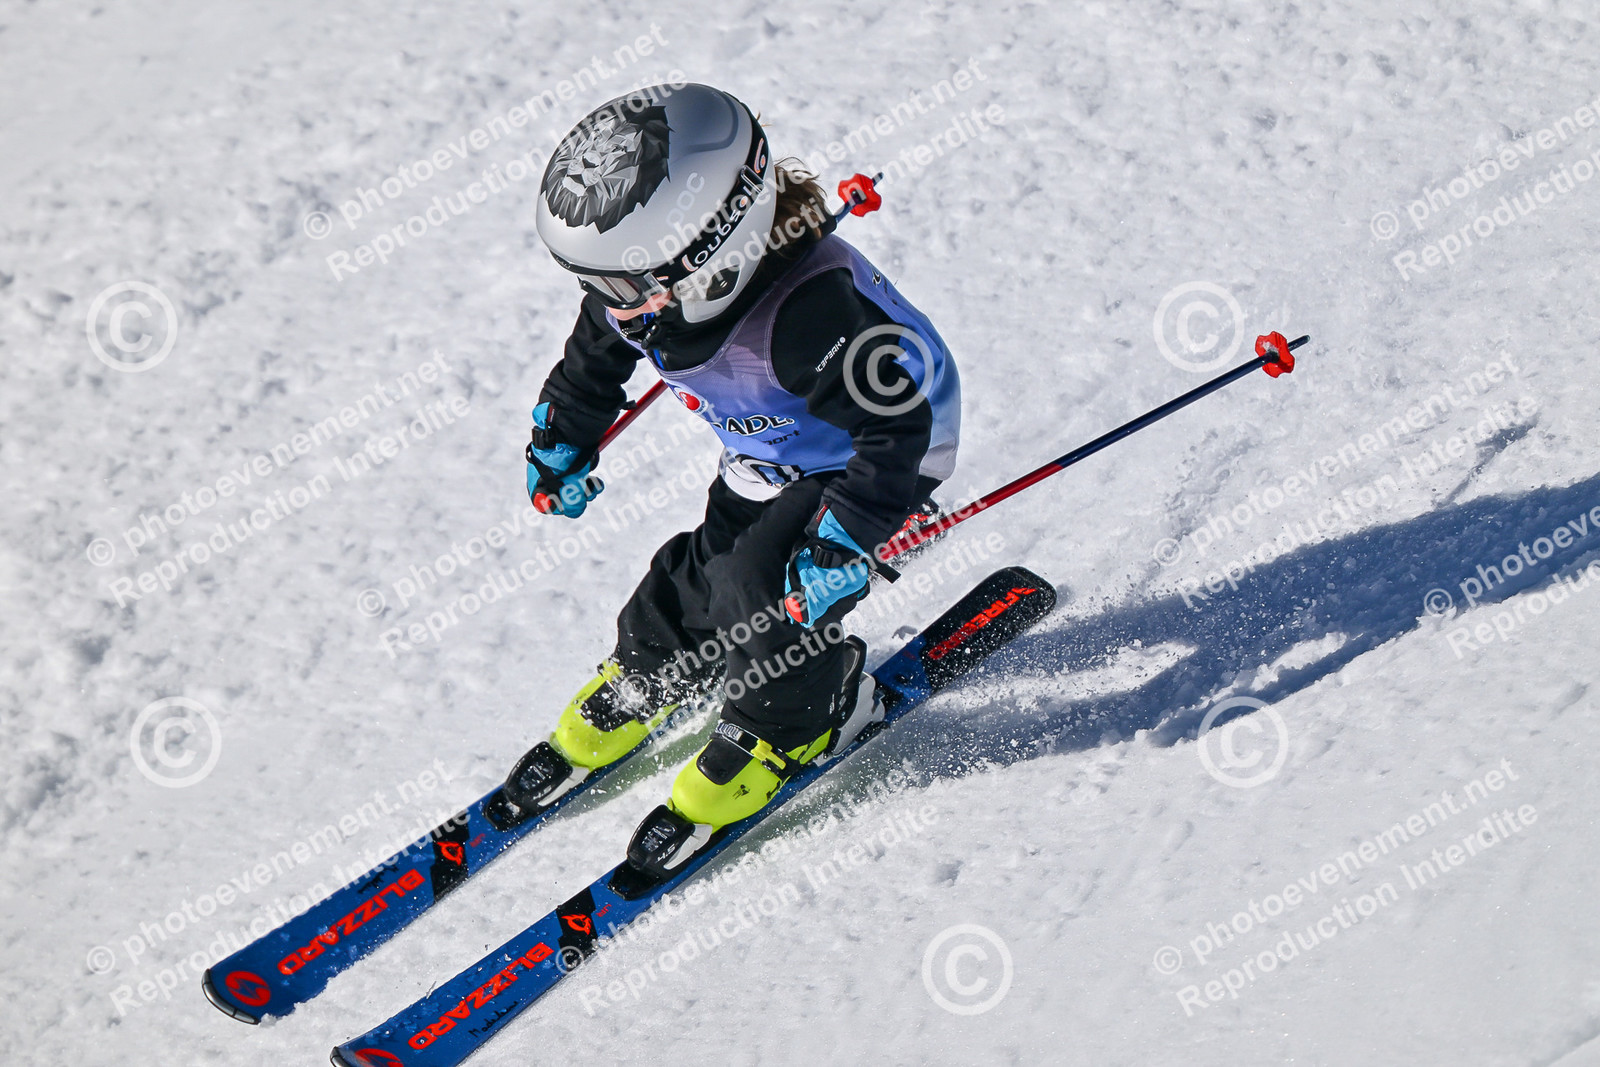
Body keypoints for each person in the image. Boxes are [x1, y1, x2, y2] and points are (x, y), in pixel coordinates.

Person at [500, 81, 961, 879]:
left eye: (620, 284)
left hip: (866, 457)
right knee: (703, 568)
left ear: (712, 252)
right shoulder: (645, 298)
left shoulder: (811, 318)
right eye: (595, 281)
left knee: (763, 586)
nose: (607, 303)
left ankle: (808, 717)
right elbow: (593, 358)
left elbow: (897, 429)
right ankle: (657, 664)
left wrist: (844, 539)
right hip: (767, 448)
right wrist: (561, 437)